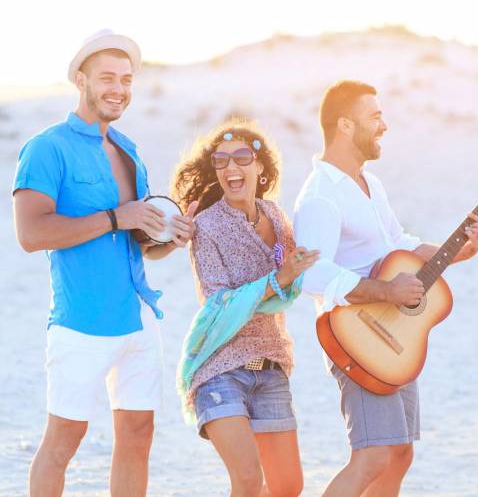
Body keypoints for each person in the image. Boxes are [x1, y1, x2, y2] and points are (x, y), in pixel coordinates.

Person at [12, 30, 196, 497]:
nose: (119, 88)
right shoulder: (46, 148)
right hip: (81, 322)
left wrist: (169, 240)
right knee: (64, 441)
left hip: (137, 318)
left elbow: (139, 241)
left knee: (137, 436)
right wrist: (116, 216)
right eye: (107, 78)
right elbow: (31, 234)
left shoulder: (128, 150)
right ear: (81, 80)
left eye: (127, 80)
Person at [293, 80, 478, 496]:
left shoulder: (369, 184)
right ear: (345, 125)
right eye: (375, 116)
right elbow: (309, 275)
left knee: (399, 454)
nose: (384, 125)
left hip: (394, 335)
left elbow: (398, 246)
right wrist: (385, 292)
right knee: (373, 456)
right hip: (359, 340)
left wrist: (461, 250)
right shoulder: (320, 197)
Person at [171, 119, 318, 496]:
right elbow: (218, 302)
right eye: (221, 161)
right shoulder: (206, 226)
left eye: (241, 158)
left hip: (270, 365)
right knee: (249, 480)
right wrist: (278, 279)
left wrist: (293, 273)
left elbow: (291, 284)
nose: (231, 168)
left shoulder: (277, 216)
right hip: (220, 368)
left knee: (287, 486)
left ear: (261, 169)